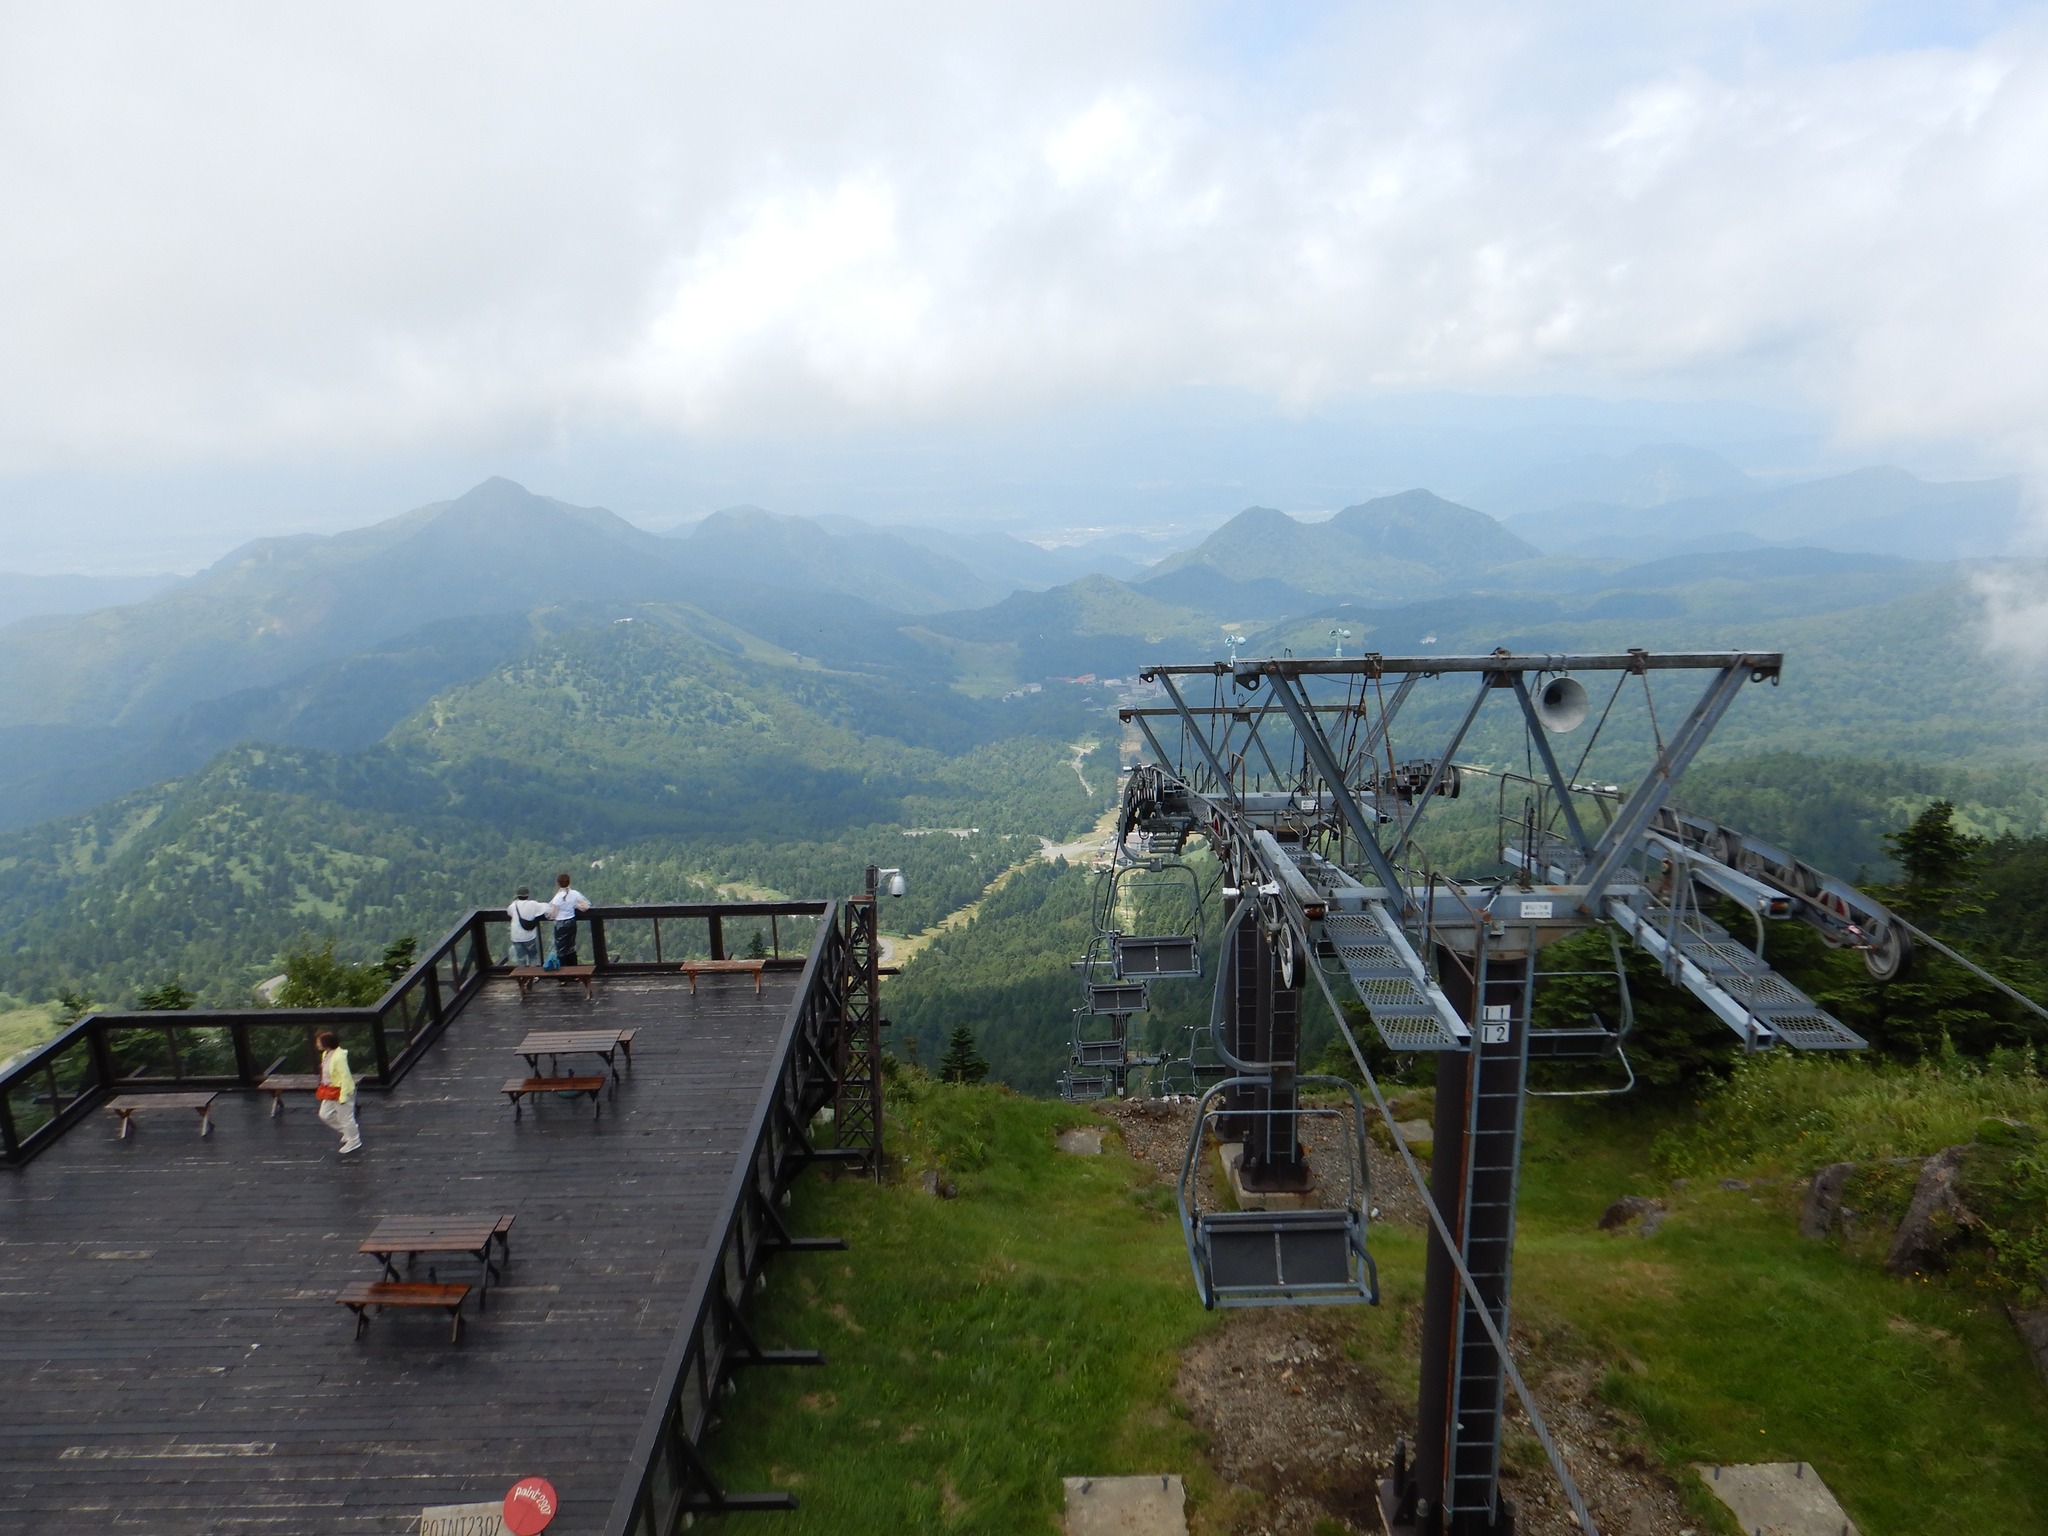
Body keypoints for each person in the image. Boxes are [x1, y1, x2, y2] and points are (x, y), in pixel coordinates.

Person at [315, 1029, 362, 1155]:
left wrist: (343, 1095)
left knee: (346, 1117)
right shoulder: (326, 1054)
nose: (317, 1044)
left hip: (342, 1090)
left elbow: (345, 1076)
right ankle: (348, 1131)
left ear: (327, 1044)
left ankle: (354, 1140)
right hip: (330, 1089)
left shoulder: (339, 1057)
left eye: (319, 1042)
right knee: (324, 1114)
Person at [550, 871, 590, 966]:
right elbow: (586, 907)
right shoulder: (575, 894)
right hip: (571, 922)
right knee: (571, 947)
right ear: (569, 882)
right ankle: (575, 973)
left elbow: (553, 915)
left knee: (561, 949)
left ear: (558, 884)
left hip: (560, 924)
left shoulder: (558, 897)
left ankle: (563, 975)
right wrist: (575, 905)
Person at [507, 885, 552, 967]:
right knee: (533, 956)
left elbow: (509, 912)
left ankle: (523, 976)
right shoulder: (533, 904)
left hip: (516, 937)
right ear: (528, 895)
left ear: (517, 896)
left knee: (521, 958)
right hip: (528, 936)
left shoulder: (513, 906)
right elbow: (546, 908)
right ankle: (533, 975)